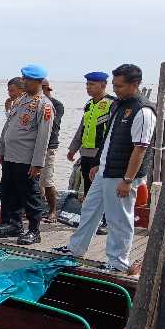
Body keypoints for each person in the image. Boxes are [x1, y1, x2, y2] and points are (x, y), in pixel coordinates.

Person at [54, 64, 155, 273]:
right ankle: (76, 248)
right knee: (90, 209)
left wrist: (128, 180)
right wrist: (99, 163)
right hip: (105, 169)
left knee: (119, 218)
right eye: (114, 85)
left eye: (119, 86)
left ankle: (118, 262)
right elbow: (109, 138)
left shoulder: (143, 111)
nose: (115, 89)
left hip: (122, 175)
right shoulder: (118, 104)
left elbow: (140, 149)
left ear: (135, 84)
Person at [0, 64, 54, 245]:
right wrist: (0, 149)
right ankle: (14, 224)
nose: (24, 82)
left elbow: (44, 137)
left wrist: (38, 163)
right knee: (9, 192)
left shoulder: (44, 105)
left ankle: (34, 231)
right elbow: (8, 127)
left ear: (38, 82)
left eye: (27, 80)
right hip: (10, 156)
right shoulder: (20, 100)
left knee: (30, 195)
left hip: (26, 158)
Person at [67, 71, 116, 235]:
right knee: (89, 190)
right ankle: (91, 220)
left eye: (92, 84)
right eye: (87, 84)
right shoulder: (89, 104)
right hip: (86, 154)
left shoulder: (111, 104)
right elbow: (82, 128)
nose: (88, 87)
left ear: (103, 85)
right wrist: (73, 148)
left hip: (102, 154)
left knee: (104, 189)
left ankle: (106, 221)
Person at [40, 79, 65, 222]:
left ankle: (52, 211)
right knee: (32, 180)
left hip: (49, 146)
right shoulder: (34, 103)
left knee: (47, 180)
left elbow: (52, 124)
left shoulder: (56, 105)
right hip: (32, 146)